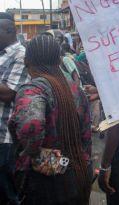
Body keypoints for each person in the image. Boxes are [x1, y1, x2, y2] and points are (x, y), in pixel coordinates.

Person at [9, 35, 92, 204]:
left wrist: (32, 153)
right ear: (58, 60)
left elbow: (30, 127)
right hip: (79, 173)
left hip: (48, 182)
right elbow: (86, 134)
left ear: (27, 61)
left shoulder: (33, 89)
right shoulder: (76, 89)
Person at [0, 13, 29, 204]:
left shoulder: (21, 55)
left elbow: (9, 93)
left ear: (9, 31)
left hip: (5, 139)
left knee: (8, 193)